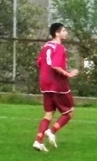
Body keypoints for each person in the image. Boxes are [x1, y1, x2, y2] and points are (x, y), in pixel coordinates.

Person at [33, 22, 79, 152]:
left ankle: (38, 141)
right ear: (57, 33)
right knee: (69, 112)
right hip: (57, 83)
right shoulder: (59, 47)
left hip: (45, 83)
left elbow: (39, 62)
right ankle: (51, 131)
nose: (66, 33)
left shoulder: (46, 46)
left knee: (49, 113)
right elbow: (55, 65)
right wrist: (68, 74)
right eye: (63, 30)